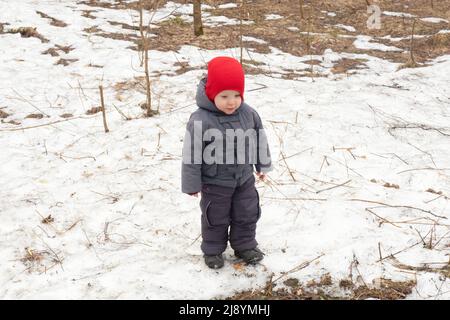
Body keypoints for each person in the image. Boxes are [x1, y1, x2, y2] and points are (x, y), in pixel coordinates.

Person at [181, 56, 272, 269]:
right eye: (224, 96)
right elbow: (191, 155)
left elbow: (259, 139)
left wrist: (262, 165)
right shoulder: (200, 120)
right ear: (212, 94)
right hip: (215, 182)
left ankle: (245, 244)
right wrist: (192, 184)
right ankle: (213, 249)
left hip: (244, 178)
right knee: (216, 216)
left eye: (236, 95)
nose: (231, 102)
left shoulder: (248, 114)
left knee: (247, 212)